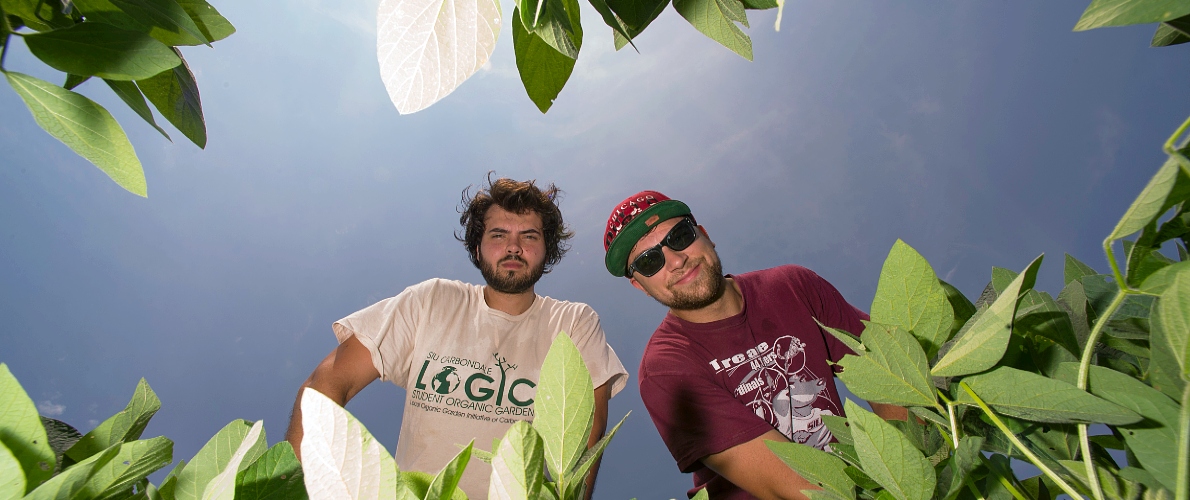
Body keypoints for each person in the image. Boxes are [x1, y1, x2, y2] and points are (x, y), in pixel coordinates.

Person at [286, 177, 629, 499]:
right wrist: (295, 489)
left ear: (546, 251)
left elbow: (587, 431)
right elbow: (330, 381)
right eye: (497, 235)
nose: (513, 246)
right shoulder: (431, 301)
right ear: (477, 250)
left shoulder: (573, 321)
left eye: (529, 236)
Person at [601, 191, 905, 500]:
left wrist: (909, 474)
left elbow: (889, 376)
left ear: (705, 234)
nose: (677, 260)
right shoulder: (665, 369)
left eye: (680, 236)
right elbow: (786, 488)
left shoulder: (794, 287)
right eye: (650, 261)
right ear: (640, 285)